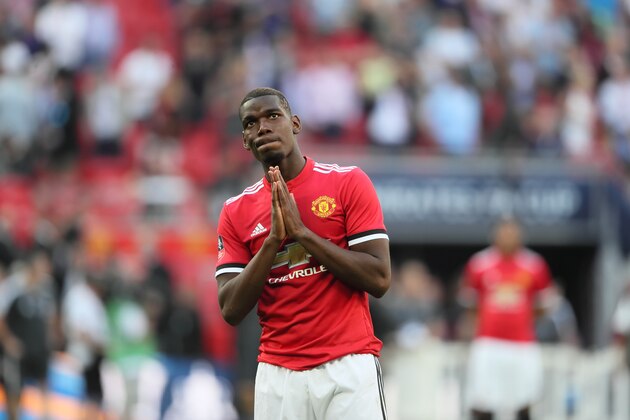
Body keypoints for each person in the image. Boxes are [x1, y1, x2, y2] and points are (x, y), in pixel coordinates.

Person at [214, 87, 391, 420]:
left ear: (295, 124)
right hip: (279, 374)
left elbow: (379, 278)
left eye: (272, 116)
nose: (262, 127)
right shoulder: (235, 211)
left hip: (348, 364)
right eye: (251, 123)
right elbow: (231, 308)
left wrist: (302, 234)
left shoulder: (347, 183)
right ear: (244, 140)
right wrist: (273, 242)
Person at [459, 217, 553, 420]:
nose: (508, 236)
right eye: (503, 231)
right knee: (482, 401)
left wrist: (523, 317)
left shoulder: (534, 265)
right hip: (488, 343)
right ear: (494, 235)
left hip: (522, 345)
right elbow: (470, 303)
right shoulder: (479, 263)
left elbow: (545, 304)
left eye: (512, 231)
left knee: (525, 401)